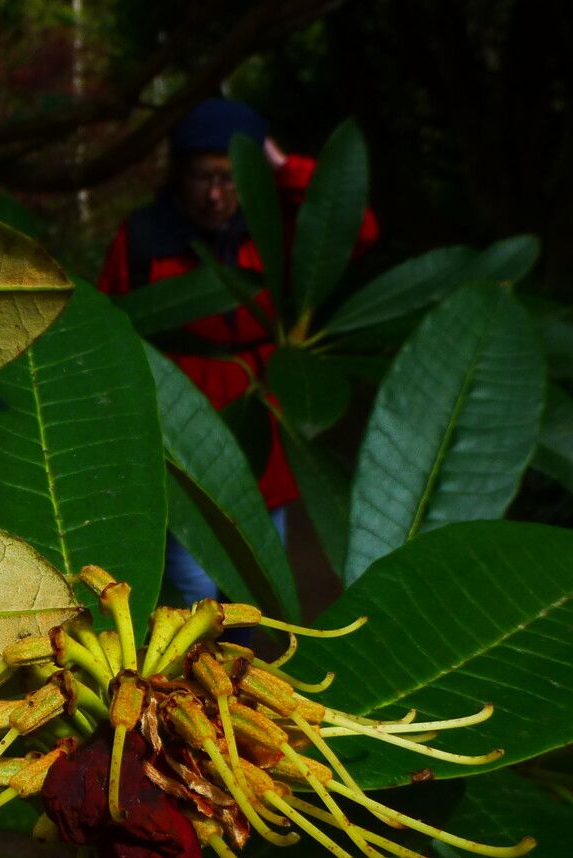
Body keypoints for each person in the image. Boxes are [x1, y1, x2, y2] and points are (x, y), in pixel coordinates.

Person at [97, 98, 375, 602]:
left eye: (230, 178)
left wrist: (280, 164)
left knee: (255, 589)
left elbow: (355, 228)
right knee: (196, 592)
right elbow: (106, 332)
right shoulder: (143, 239)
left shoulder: (273, 232)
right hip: (178, 431)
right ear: (179, 174)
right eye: (204, 177)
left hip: (263, 431)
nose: (216, 195)